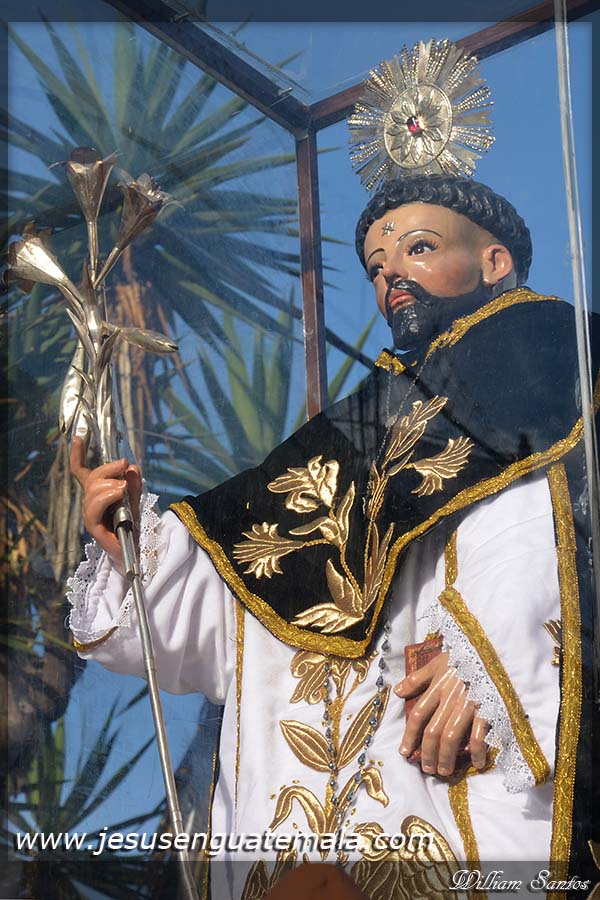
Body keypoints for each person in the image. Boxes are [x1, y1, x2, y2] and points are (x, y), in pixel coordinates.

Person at [68, 173, 598, 899]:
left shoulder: (557, 356)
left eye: (419, 248)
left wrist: (496, 653)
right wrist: (131, 547)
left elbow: (550, 520)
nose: (392, 277)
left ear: (494, 261)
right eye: (377, 267)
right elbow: (254, 580)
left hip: (456, 774)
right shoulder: (367, 423)